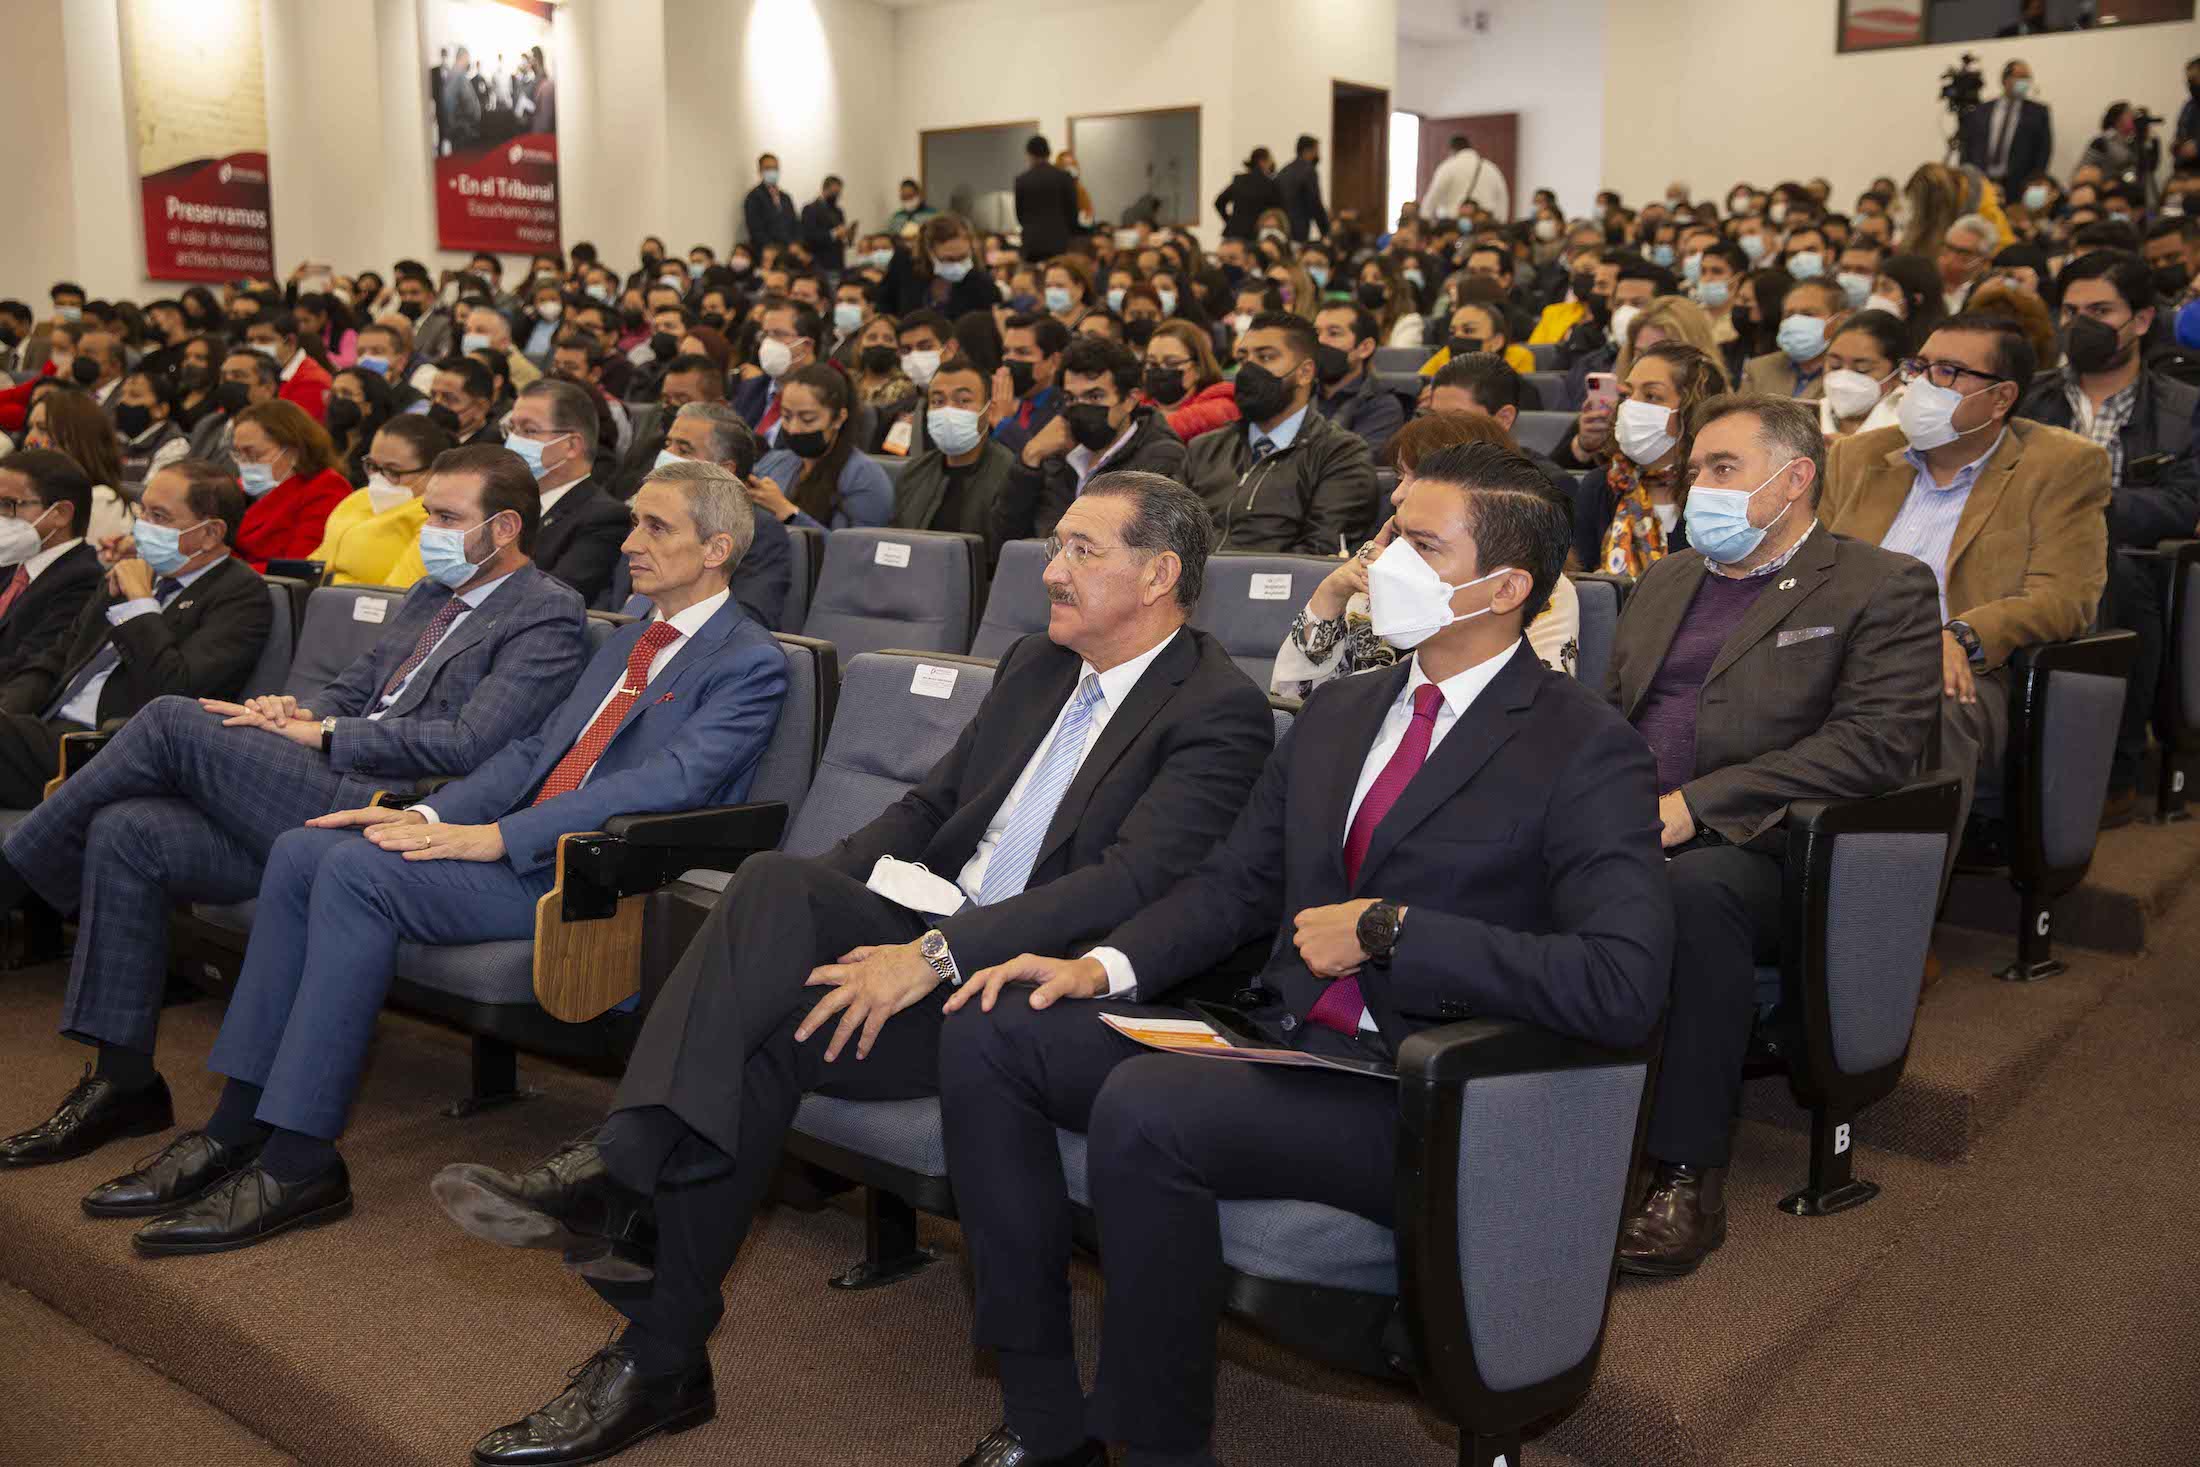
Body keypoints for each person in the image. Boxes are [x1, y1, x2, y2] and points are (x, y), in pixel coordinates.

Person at [432, 472, 1275, 1467]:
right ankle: (646, 1306)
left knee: (751, 1044)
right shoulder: (1036, 668)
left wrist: (931, 956)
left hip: (1032, 992)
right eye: (1055, 547)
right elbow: (925, 814)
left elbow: (1126, 884)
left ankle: (641, 1276)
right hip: (927, 937)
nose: (1049, 571)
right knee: (772, 899)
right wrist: (812, 920)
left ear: (1159, 573)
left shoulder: (1218, 709)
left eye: (1082, 551)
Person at [933, 444, 1670, 1467]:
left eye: (1416, 544)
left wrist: (1392, 933)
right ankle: (1041, 1407)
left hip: (1413, 1089)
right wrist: (1097, 969)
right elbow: (1235, 885)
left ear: (1502, 588)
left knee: (1151, 1111)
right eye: (1384, 536)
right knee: (994, 1026)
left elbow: (1620, 981)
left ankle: (1154, 1444)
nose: (1381, 564)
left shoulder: (1583, 747)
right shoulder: (1343, 709)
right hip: (1276, 1039)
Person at [88, 462, 779, 1261]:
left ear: (718, 547)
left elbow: (674, 781)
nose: (631, 542)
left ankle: (298, 1161)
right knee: (306, 847)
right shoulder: (628, 638)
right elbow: (532, 751)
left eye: (656, 528)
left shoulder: (746, 660)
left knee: (350, 871)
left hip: (585, 876)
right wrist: (428, 813)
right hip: (513, 846)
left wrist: (500, 837)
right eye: (633, 522)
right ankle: (235, 1125)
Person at [0, 445, 591, 1174]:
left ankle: (12, 879)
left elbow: (471, 742)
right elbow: (349, 692)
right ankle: (122, 1081)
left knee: (168, 720)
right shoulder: (430, 595)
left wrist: (328, 733)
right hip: (318, 784)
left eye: (444, 516)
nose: (426, 530)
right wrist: (293, 712)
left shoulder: (548, 611)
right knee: (130, 831)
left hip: (391, 807)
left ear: (503, 527)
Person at [1607, 390, 1941, 1273]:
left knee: (1693, 895)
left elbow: (1876, 745)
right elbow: (1612, 714)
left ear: (1795, 479)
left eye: (1724, 469)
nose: (1700, 488)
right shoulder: (1669, 577)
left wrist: (1702, 802)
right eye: (1694, 472)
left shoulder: (1881, 584)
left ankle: (1685, 1173)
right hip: (1630, 823)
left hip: (1771, 848)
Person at [1822, 314, 2110, 865]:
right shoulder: (1858, 456)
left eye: (1948, 372)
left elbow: (2066, 597)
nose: (1923, 384)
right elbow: (1816, 569)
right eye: (1920, 366)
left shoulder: (2063, 465)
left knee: (1929, 699)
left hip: (1969, 669)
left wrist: (1958, 633)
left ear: (2001, 398)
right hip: (1840, 645)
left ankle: (1890, 920)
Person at [2018, 252, 2199, 823]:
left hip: (2128, 560)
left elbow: (2181, 504)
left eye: (2100, 310)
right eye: (2070, 311)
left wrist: (2081, 505)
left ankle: (2115, 768)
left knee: (2112, 574)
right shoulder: (2031, 398)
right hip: (2026, 548)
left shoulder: (2185, 407)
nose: (2081, 324)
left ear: (2142, 320)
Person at [0, 460, 271, 809]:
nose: (143, 526)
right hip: (46, 729)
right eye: (142, 511)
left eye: (159, 517)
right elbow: (56, 658)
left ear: (211, 533)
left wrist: (141, 604)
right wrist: (7, 708)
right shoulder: (141, 571)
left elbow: (177, 688)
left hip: (108, 745)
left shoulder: (241, 594)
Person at [1274, 412, 1580, 695]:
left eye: (1417, 478)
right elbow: (1292, 702)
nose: (1397, 494)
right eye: (1399, 477)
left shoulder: (1528, 588)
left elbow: (1532, 708)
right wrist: (1331, 594)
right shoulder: (1379, 570)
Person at [1181, 310, 1377, 554]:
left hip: (1277, 588)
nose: (1248, 370)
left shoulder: (1340, 454)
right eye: (1243, 359)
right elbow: (1170, 536)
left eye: (1265, 358)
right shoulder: (1204, 448)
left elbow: (1319, 554)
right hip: (1192, 587)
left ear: (1304, 372)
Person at [992, 337, 1187, 545]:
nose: (1080, 408)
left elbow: (1133, 545)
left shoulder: (1161, 458)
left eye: (1094, 397)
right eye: (1071, 399)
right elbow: (1003, 538)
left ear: (1130, 400)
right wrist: (1029, 459)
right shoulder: (1057, 455)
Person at [1575, 341, 1728, 574]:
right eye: (1628, 394)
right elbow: (1579, 579)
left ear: (1691, 409)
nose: (1632, 405)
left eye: (1652, 396)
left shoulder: (1720, 494)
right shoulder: (1600, 486)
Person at [654, 403, 795, 630]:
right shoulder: (647, 516)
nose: (667, 456)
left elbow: (748, 621)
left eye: (684, 450)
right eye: (668, 444)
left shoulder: (759, 532)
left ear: (724, 470)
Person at [504, 378, 628, 605]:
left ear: (571, 446)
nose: (514, 440)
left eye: (529, 430)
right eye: (512, 428)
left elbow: (553, 599)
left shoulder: (604, 517)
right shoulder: (500, 500)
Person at [306, 415, 455, 588]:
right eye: (372, 466)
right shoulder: (358, 498)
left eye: (393, 471)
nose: (378, 479)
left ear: (430, 473)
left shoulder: (434, 520)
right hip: (316, 598)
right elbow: (317, 561)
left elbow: (398, 594)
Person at [0, 450, 102, 685]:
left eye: (8, 504)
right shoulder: (9, 561)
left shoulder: (84, 581)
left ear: (60, 514)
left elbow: (27, 664)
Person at [888, 358, 1018, 543]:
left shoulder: (1010, 476)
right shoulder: (913, 473)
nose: (948, 411)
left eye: (963, 401)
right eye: (938, 401)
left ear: (989, 410)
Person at [751, 365, 893, 530]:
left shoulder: (864, 476)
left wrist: (789, 514)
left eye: (808, 419)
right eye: (786, 416)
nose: (793, 428)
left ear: (838, 419)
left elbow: (859, 550)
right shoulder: (775, 462)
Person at [227, 401, 353, 570]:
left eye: (253, 454)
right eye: (239, 454)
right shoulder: (239, 490)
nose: (245, 464)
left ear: (293, 450)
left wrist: (226, 571)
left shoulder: (326, 489)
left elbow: (300, 567)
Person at [1309, 302, 1405, 463]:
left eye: (1333, 333)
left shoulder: (1382, 406)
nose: (1320, 341)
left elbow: (1353, 465)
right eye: (1316, 333)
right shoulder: (1297, 394)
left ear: (1365, 348)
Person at [1740, 277, 1847, 400]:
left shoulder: (1850, 373)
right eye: (1789, 315)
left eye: (1808, 314)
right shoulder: (1758, 369)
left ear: (1838, 321)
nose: (1795, 321)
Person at [1962, 61, 2053, 195]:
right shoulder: (1981, 111)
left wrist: (2034, 181)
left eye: (2027, 78)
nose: (2025, 82)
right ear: (2005, 79)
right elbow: (1968, 146)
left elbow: (2044, 150)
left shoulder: (2038, 113)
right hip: (1982, 182)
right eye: (2020, 77)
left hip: (2018, 185)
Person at [1140, 320, 1237, 441]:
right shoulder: (1140, 405)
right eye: (1152, 363)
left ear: (1197, 370)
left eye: (1172, 363)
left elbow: (1173, 427)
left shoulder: (1220, 405)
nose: (1160, 370)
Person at [1819, 310, 1909, 439]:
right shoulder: (1812, 414)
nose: (1844, 377)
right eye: (1835, 365)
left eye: (1862, 369)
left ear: (1898, 372)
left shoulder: (1908, 422)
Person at [990, 313, 1070, 459]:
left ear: (1054, 362)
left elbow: (1043, 464)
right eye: (1006, 351)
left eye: (1023, 352)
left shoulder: (1064, 411)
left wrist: (1004, 424)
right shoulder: (1004, 402)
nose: (1010, 359)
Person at [242, 312, 334, 425]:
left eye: (264, 340)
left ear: (290, 341)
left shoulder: (313, 381)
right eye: (250, 340)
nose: (254, 346)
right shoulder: (255, 370)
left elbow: (293, 431)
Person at [114, 370, 190, 490]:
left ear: (160, 409)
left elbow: (151, 493)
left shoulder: (174, 445)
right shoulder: (114, 438)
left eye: (134, 395)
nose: (123, 401)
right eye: (121, 395)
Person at [1016, 136, 1082, 262]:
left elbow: (1020, 216)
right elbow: (1073, 212)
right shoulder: (1064, 178)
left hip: (1032, 245)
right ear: (1049, 153)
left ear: (1029, 155)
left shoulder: (1022, 181)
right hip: (1058, 243)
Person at [1420, 132, 1510, 224]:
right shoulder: (1491, 168)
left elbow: (1432, 197)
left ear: (1451, 150)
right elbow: (1503, 199)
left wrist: (1425, 224)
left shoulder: (1448, 167)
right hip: (1486, 225)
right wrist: (1500, 224)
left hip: (1455, 225)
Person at [429, 355, 505, 448]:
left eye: (448, 398)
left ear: (481, 407)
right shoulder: (422, 435)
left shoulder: (486, 453)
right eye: (433, 395)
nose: (437, 403)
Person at [1215, 148, 1286, 242]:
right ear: (1262, 162)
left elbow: (1219, 202)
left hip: (1233, 233)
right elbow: (1279, 212)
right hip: (1255, 236)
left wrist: (1229, 221)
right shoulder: (1270, 185)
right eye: (1269, 161)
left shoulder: (1239, 181)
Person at [1938, 215, 1999, 315]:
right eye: (1948, 248)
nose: (1950, 259)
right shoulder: (1920, 283)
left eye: (1963, 253)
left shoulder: (1989, 297)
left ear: (1984, 262)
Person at [1275, 133, 1328, 243]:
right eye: (1316, 151)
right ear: (1308, 150)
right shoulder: (1308, 171)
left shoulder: (1284, 170)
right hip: (1299, 227)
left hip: (1282, 225)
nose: (1318, 155)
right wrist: (1325, 231)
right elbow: (1315, 202)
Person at [742, 153, 799, 249]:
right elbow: (756, 230)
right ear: (760, 171)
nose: (772, 172)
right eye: (768, 168)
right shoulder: (753, 197)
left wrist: (796, 244)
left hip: (790, 249)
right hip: (768, 251)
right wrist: (774, 248)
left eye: (775, 168)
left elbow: (795, 224)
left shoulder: (785, 197)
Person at [2078, 103, 2142, 185]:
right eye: (2129, 114)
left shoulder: (2131, 142)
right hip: (2103, 190)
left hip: (2124, 189)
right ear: (2118, 119)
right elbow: (2083, 171)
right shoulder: (2102, 141)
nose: (2133, 118)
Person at [800, 175, 851, 276]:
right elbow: (809, 237)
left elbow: (841, 237)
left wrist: (847, 234)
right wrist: (834, 234)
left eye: (838, 193)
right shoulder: (810, 209)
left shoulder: (838, 211)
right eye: (834, 192)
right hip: (819, 263)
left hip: (837, 262)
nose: (836, 196)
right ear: (825, 189)